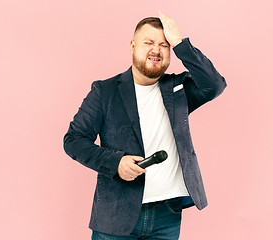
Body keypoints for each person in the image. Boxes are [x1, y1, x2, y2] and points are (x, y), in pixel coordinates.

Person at [63, 11, 227, 240]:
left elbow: (214, 85)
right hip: (116, 215)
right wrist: (116, 162)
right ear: (132, 46)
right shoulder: (104, 91)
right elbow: (74, 140)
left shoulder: (178, 89)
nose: (156, 49)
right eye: (148, 42)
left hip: (166, 215)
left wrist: (180, 43)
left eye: (164, 44)